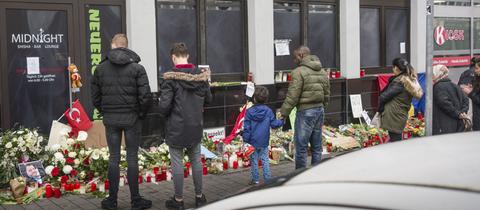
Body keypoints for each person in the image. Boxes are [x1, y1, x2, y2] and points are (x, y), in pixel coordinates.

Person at [92, 34, 153, 210]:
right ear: (126, 46)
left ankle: (112, 201)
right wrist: (140, 113)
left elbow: (95, 97)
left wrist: (105, 111)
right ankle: (136, 200)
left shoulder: (100, 69)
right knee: (132, 157)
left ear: (113, 46)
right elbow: (145, 96)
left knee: (114, 158)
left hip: (111, 119)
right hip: (132, 118)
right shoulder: (137, 68)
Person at [159, 43, 211, 210]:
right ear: (187, 56)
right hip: (195, 125)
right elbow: (209, 99)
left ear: (173, 57)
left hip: (176, 127)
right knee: (196, 160)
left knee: (177, 162)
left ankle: (179, 200)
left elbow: (164, 107)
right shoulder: (201, 76)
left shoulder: (171, 78)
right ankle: (199, 197)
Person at [279, 46, 330, 169]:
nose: (294, 60)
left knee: (301, 147)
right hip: (319, 110)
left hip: (305, 112)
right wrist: (323, 106)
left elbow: (293, 95)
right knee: (317, 147)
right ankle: (315, 174)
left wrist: (284, 113)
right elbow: (327, 92)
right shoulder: (322, 71)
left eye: (295, 57)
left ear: (301, 55)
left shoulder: (298, 72)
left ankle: (300, 176)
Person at [242, 86, 284, 185]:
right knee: (265, 160)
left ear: (254, 98)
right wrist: (282, 120)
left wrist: (246, 140)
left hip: (252, 142)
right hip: (264, 141)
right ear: (266, 98)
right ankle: (267, 180)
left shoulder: (249, 112)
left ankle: (255, 180)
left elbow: (247, 128)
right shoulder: (268, 111)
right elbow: (274, 124)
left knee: (254, 161)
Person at [378, 58, 423, 141]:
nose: (392, 70)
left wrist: (380, 109)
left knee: (396, 142)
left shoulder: (400, 81)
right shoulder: (408, 79)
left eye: (393, 67)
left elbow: (384, 96)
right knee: (395, 140)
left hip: (394, 115)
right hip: (400, 113)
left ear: (396, 68)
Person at [432, 65, 469, 135]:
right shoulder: (455, 86)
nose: (432, 77)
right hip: (457, 125)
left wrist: (458, 114)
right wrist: (462, 113)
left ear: (438, 74)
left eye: (433, 74)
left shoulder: (438, 87)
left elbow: (444, 103)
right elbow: (466, 100)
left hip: (443, 127)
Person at [460, 58, 480, 131]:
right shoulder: (477, 78)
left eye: (477, 68)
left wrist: (470, 92)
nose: (475, 70)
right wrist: (472, 89)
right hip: (477, 116)